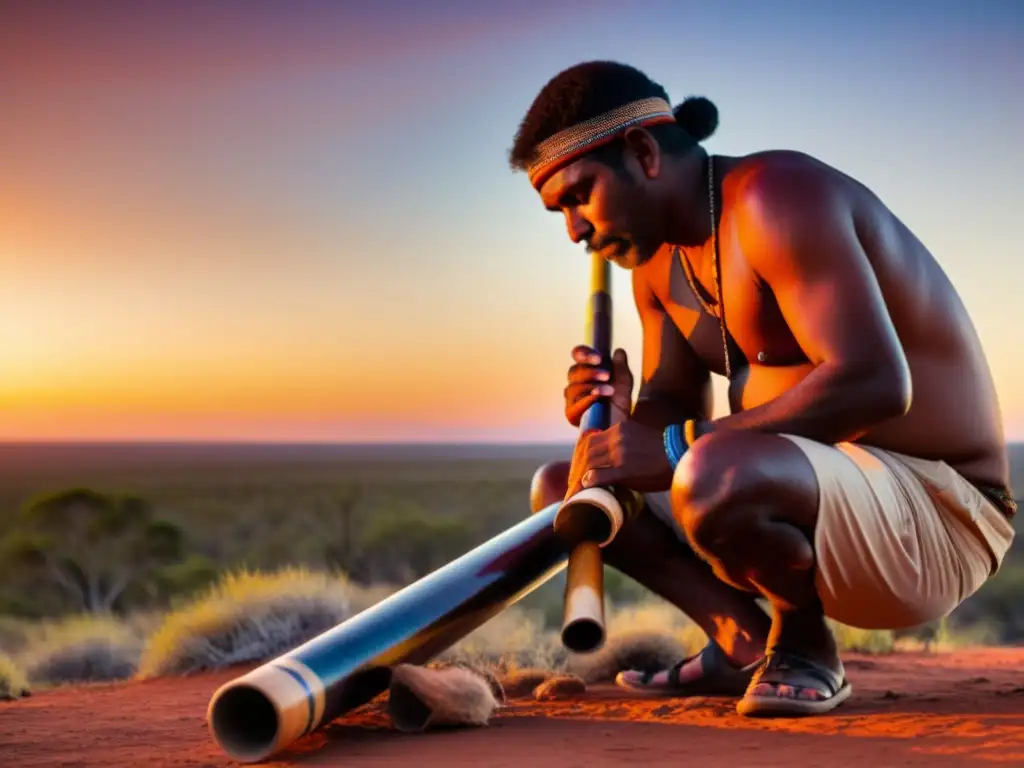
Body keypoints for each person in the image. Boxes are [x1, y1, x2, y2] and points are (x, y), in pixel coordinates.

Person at [513, 60, 1017, 717]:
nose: (575, 231)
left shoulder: (774, 196)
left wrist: (672, 444)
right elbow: (673, 417)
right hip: (817, 496)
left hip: (941, 513)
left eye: (580, 196)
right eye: (560, 212)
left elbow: (875, 381)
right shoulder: (656, 267)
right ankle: (744, 641)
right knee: (572, 486)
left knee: (711, 470)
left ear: (642, 152)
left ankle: (804, 645)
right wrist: (617, 418)